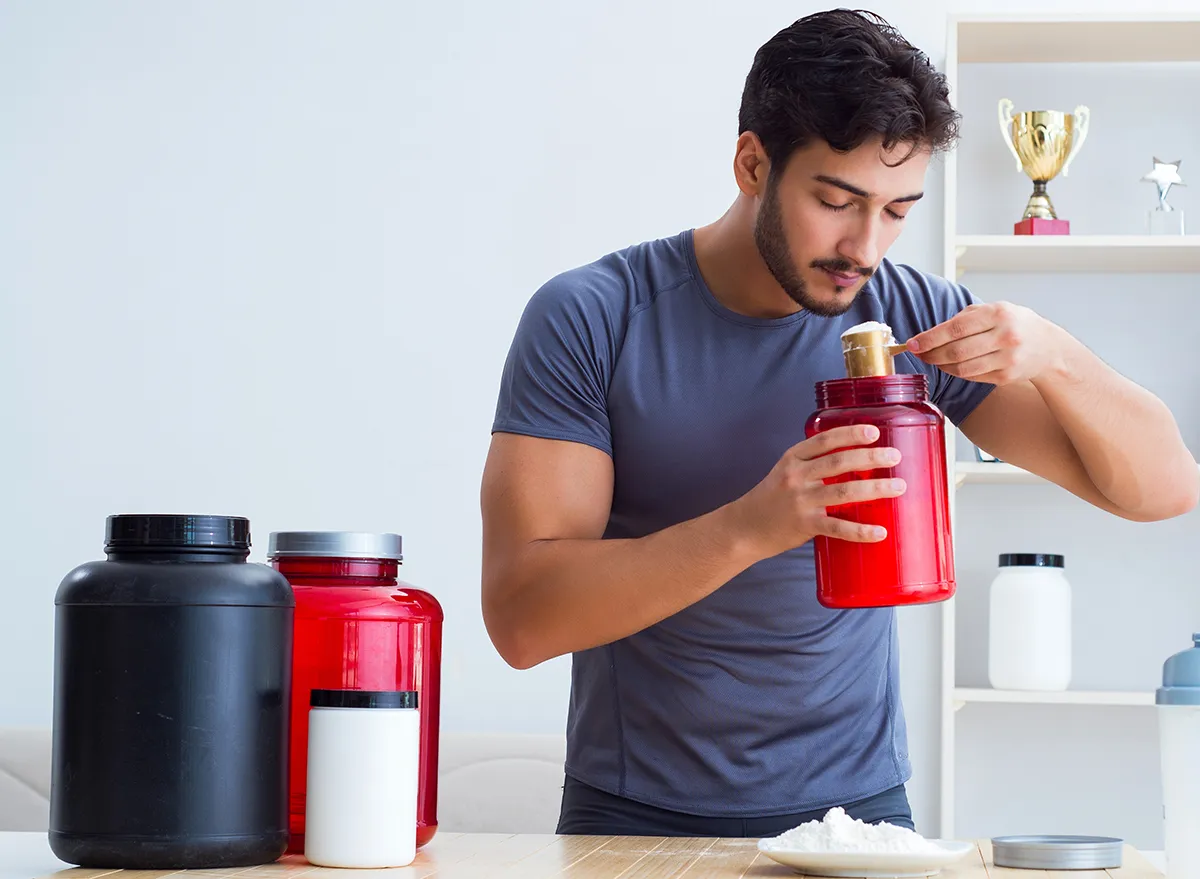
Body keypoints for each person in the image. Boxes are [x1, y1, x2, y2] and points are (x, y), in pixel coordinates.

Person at [479, 8, 1198, 838]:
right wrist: (755, 524)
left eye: (897, 210)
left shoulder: (910, 317)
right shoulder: (594, 317)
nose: (865, 246)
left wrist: (1058, 354)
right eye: (836, 200)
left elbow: (1165, 489)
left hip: (858, 814)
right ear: (753, 162)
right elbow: (523, 618)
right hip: (633, 812)